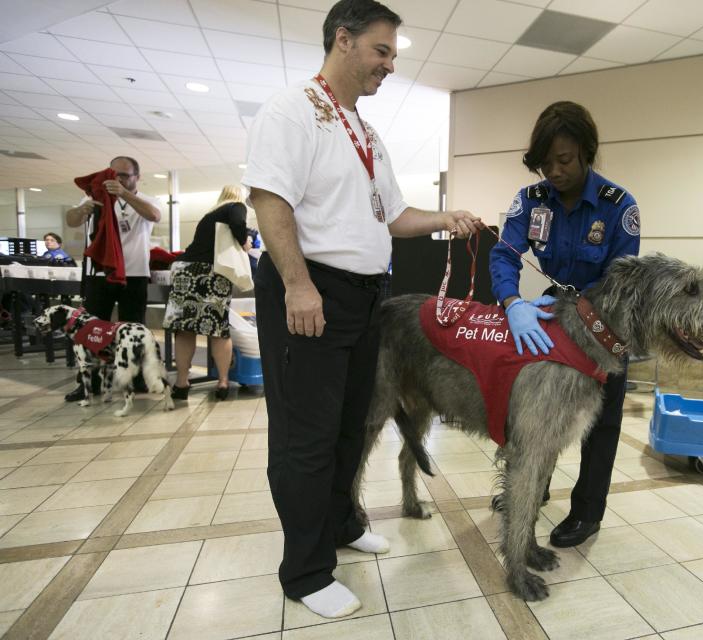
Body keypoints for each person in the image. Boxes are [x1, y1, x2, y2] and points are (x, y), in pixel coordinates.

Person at [241, 0, 482, 620]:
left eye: (393, 56)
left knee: (354, 424)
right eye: (382, 52)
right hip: (311, 293)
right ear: (342, 40)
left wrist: (445, 218)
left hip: (365, 298)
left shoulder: (363, 130)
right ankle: (305, 570)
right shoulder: (291, 112)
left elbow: (393, 216)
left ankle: (344, 523)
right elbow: (271, 203)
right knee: (307, 435)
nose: (389, 66)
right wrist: (297, 285)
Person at [489, 101, 641, 548]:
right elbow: (505, 254)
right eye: (545, 163)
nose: (553, 171)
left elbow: (620, 282)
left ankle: (587, 512)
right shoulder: (531, 200)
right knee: (540, 412)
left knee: (601, 422)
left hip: (604, 327)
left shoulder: (618, 206)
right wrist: (513, 301)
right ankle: (532, 489)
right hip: (553, 318)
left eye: (564, 160)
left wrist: (582, 319)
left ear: (587, 152)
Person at [63, 156, 163, 402]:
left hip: (134, 274)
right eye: (113, 174)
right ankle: (89, 382)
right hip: (100, 273)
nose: (117, 180)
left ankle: (136, 378)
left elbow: (154, 215)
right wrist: (82, 209)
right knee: (92, 329)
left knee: (134, 328)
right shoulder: (96, 197)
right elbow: (72, 220)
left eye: (124, 176)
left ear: (137, 177)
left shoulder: (146, 200)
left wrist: (123, 194)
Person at [163, 185, 247, 402]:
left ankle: (182, 383)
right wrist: (245, 242)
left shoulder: (210, 214)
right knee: (218, 329)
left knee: (185, 329)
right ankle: (223, 381)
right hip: (211, 273)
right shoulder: (235, 206)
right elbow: (239, 223)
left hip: (185, 271)